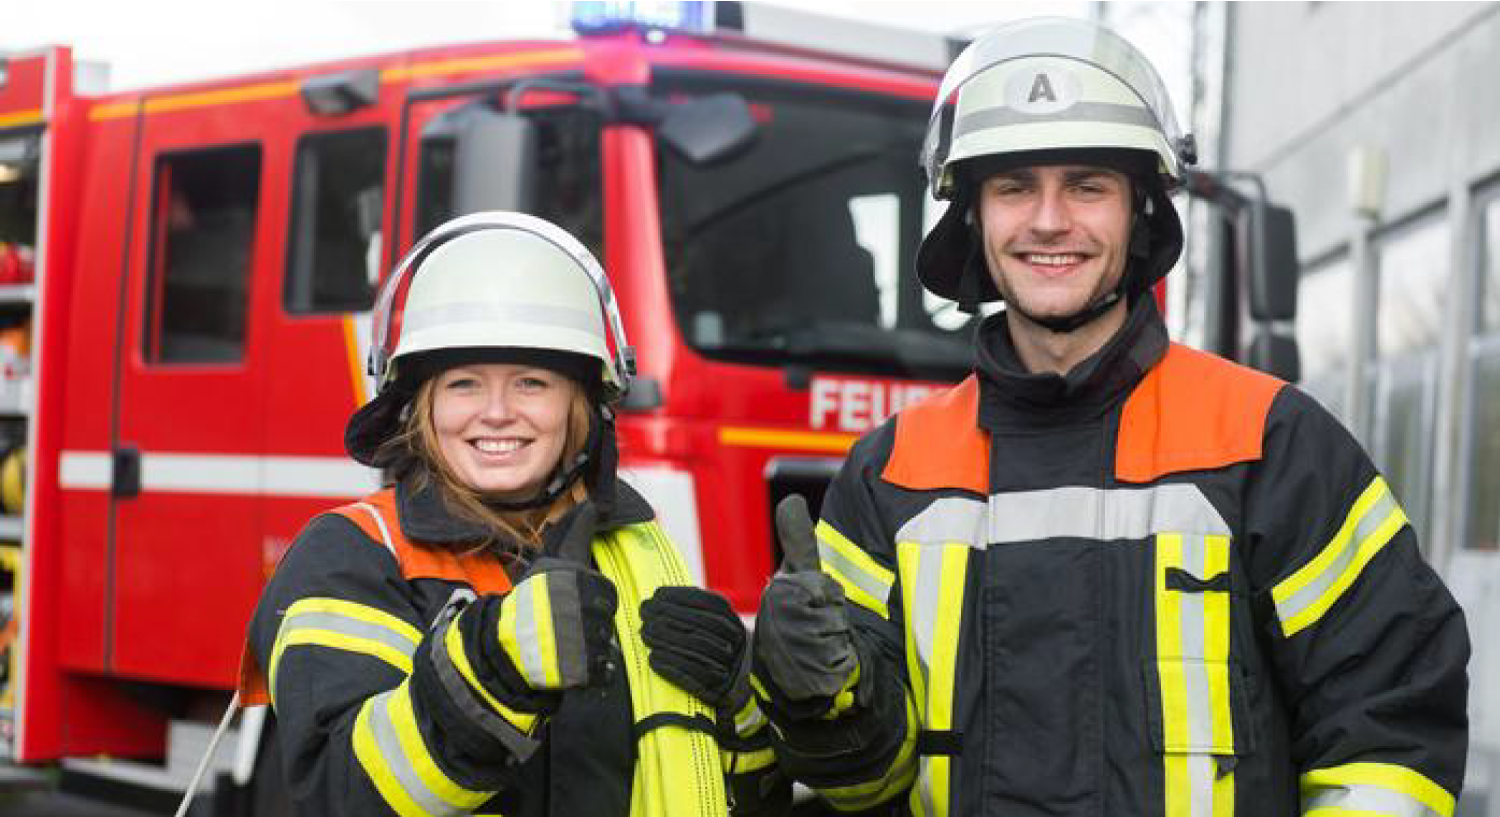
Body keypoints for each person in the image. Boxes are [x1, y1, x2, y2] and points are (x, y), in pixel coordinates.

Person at [749, 16, 1469, 817]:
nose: (1049, 220)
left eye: (1087, 184)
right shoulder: (891, 473)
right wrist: (824, 702)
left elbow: (1388, 729)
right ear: (972, 217)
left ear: (1139, 212)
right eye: (1015, 185)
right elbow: (859, 786)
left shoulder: (1269, 443)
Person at [240, 211, 786, 816]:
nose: (497, 412)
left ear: (582, 405)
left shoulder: (640, 551)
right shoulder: (354, 555)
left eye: (530, 383)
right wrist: (492, 669)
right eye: (464, 384)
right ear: (420, 406)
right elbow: (340, 793)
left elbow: (746, 798)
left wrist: (742, 703)